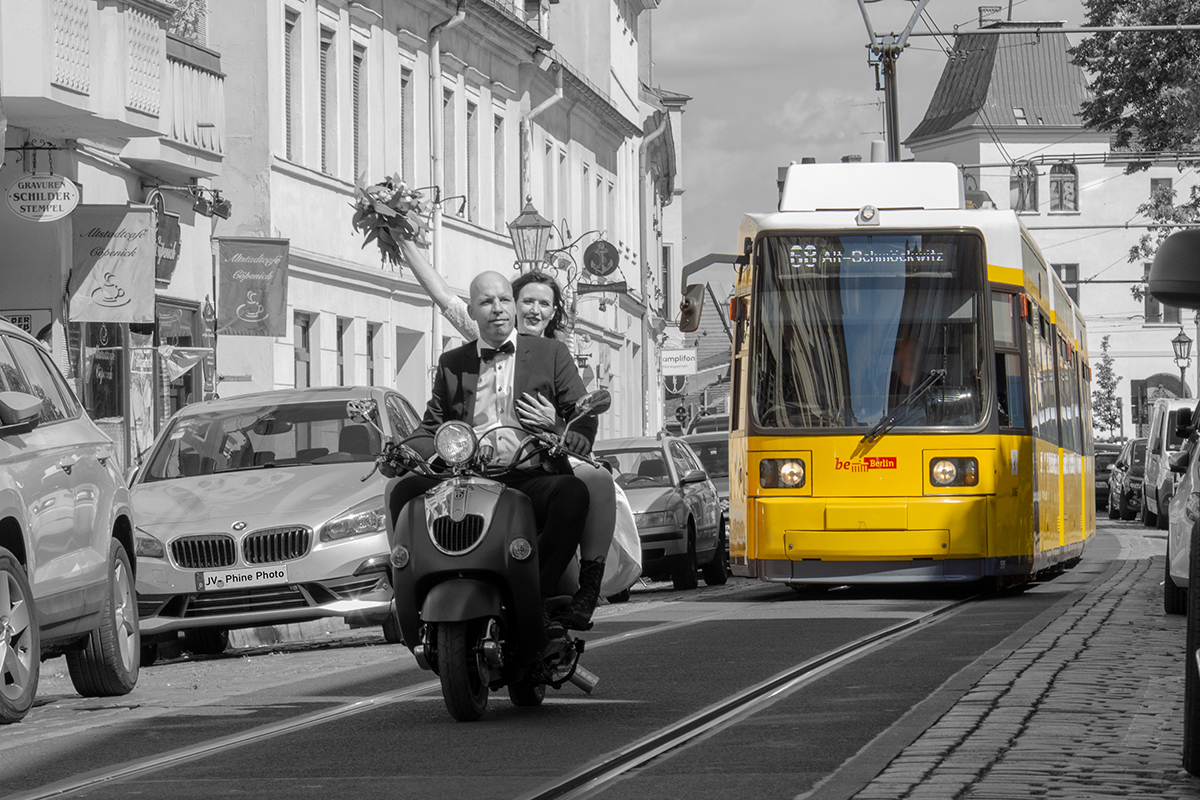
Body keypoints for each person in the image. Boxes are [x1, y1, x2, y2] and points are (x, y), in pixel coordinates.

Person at [398, 239, 621, 630]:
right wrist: (403, 452)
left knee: (575, 492)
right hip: (469, 474)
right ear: (475, 311)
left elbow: (579, 411)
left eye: (504, 300)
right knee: (402, 491)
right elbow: (432, 425)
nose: (499, 309)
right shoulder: (454, 362)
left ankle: (537, 591)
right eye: (489, 302)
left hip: (528, 470)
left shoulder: (551, 353)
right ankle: (406, 593)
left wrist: (575, 432)